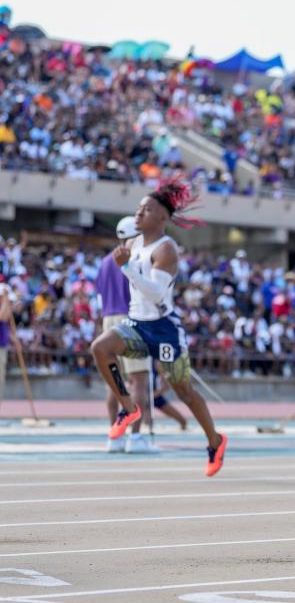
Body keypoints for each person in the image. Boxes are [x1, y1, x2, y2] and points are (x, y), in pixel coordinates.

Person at [90, 177, 228, 476]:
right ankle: (129, 408)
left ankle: (215, 441)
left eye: (146, 209)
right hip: (137, 325)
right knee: (100, 348)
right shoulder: (132, 243)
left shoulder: (167, 250)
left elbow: (155, 292)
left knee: (185, 392)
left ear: (162, 217)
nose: (138, 214)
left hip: (164, 330)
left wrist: (126, 268)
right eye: (138, 209)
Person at [95, 220, 154, 454]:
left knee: (114, 381)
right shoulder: (135, 258)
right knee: (138, 380)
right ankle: (136, 437)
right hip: (132, 318)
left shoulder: (103, 263)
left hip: (108, 319)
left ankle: (115, 436)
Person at [0, 277, 11, 403]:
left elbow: (7, 317)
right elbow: (1, 317)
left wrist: (7, 301)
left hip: (2, 344)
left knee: (1, 378)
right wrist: (5, 299)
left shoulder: (4, 304)